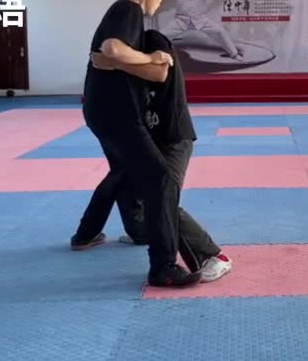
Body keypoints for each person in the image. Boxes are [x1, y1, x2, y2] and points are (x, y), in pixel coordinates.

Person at [71, 0, 199, 288]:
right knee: (161, 180)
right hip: (117, 114)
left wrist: (123, 62)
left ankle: (87, 233)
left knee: (123, 172)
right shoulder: (128, 9)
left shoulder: (124, 15)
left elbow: (111, 57)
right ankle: (163, 267)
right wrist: (151, 57)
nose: (161, 2)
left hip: (100, 112)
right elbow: (112, 48)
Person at [90, 29, 233, 283]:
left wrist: (113, 62)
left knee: (162, 199)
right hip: (150, 137)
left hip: (174, 137)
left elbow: (159, 72)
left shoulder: (153, 40)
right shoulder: (127, 54)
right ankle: (144, 232)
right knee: (128, 183)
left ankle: (213, 255)